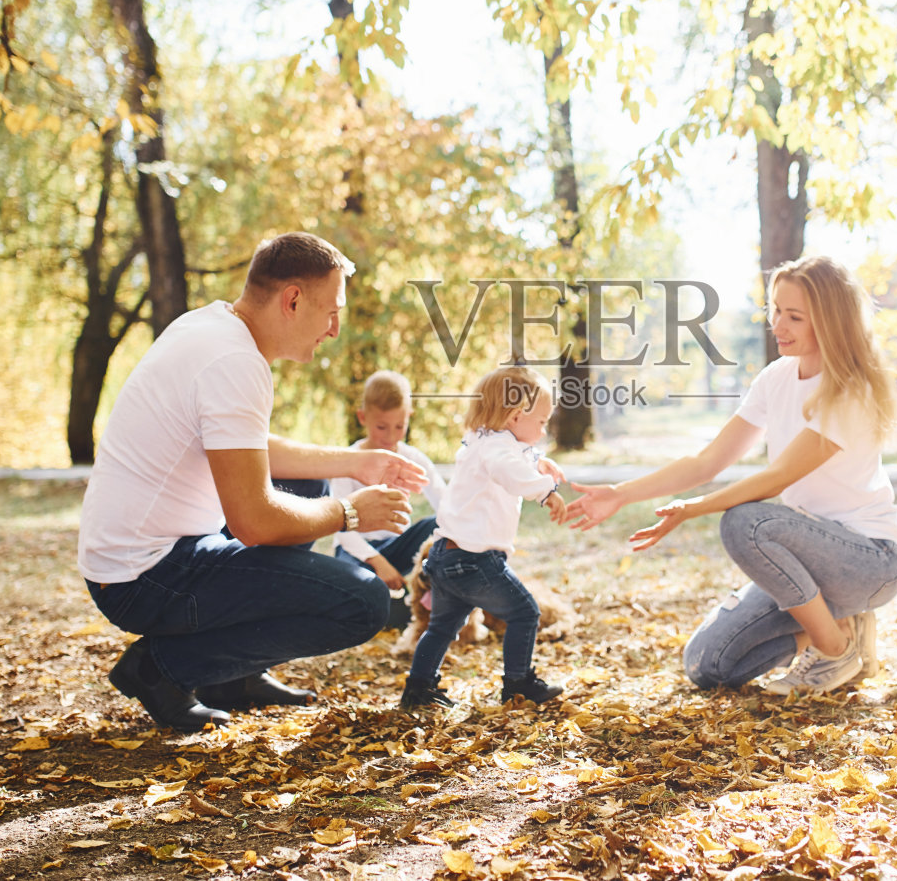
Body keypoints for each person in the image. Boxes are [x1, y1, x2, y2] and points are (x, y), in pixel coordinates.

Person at [79, 232, 427, 731]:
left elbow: (248, 447)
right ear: (293, 300)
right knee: (363, 603)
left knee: (309, 484)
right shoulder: (236, 362)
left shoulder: (210, 326)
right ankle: (160, 670)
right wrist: (352, 513)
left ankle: (233, 678)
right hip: (143, 578)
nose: (334, 330)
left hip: (133, 558)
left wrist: (354, 463)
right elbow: (254, 522)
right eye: (331, 312)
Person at [563, 256, 897, 695]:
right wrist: (619, 493)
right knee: (708, 664)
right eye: (775, 310)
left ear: (830, 321)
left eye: (795, 316)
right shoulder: (776, 378)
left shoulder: (849, 391)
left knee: (745, 522)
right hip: (809, 562)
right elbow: (706, 463)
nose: (778, 325)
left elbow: (777, 477)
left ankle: (834, 649)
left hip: (870, 561)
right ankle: (842, 627)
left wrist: (694, 509)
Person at [399, 366, 568, 710]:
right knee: (525, 613)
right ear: (515, 416)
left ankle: (418, 688)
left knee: (442, 627)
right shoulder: (498, 451)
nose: (543, 430)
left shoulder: (482, 441)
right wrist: (546, 491)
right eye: (541, 422)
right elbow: (510, 470)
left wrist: (538, 462)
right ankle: (518, 684)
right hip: (474, 561)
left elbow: (515, 456)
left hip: (445, 556)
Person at [326, 370, 445, 624]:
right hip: (358, 551)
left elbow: (446, 505)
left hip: (397, 545)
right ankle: (385, 605)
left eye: (399, 426)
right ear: (363, 417)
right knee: (355, 585)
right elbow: (342, 530)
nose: (390, 437)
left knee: (439, 524)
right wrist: (379, 562)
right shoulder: (348, 461)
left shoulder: (413, 459)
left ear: (409, 416)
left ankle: (412, 600)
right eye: (381, 427)